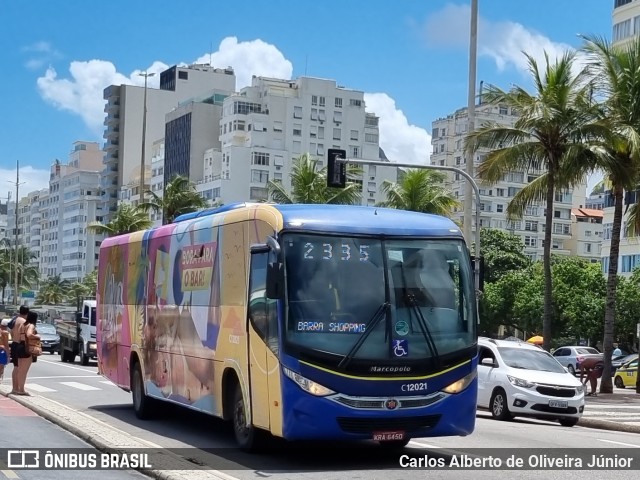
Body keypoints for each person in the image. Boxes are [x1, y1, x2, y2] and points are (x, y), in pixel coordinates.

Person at [13, 311, 39, 396]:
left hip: (19, 346)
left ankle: (18, 389)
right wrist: (37, 336)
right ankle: (21, 389)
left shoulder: (22, 325)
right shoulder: (31, 325)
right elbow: (29, 334)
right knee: (24, 371)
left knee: (20, 369)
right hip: (26, 347)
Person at [9, 306, 28, 393]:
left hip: (14, 343)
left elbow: (12, 333)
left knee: (16, 366)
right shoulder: (24, 322)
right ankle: (20, 389)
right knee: (20, 368)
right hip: (20, 344)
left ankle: (15, 388)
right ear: (27, 313)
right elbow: (23, 335)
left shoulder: (15, 320)